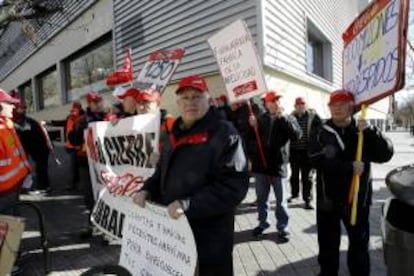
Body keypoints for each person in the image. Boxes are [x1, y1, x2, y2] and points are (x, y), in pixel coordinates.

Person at [133, 75, 249, 276]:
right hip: (175, 236)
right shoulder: (173, 134)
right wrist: (146, 189)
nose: (190, 102)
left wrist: (188, 205)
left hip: (209, 239)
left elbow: (233, 187)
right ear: (178, 103)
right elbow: (162, 172)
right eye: (185, 98)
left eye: (196, 96)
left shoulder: (225, 134)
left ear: (208, 99)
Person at [308, 89, 393, 276]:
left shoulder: (363, 130)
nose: (337, 108)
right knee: (328, 246)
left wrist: (371, 132)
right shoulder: (320, 131)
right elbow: (315, 159)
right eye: (333, 105)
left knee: (359, 246)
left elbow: (386, 154)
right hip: (328, 200)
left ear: (351, 107)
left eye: (342, 105)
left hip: (357, 199)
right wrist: (347, 167)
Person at [248, 91, 302, 242]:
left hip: (279, 167)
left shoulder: (288, 118)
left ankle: (283, 227)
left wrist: (284, 119)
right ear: (266, 103)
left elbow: (297, 135)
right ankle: (263, 223)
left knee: (281, 200)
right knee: (261, 198)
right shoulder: (259, 119)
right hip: (261, 166)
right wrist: (252, 127)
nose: (274, 103)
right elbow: (250, 140)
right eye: (271, 101)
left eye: (276, 100)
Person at [68, 91, 105, 238]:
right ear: (89, 104)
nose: (97, 105)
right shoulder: (82, 119)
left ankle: (105, 225)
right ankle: (92, 223)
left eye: (99, 102)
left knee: (105, 194)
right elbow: (74, 141)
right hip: (86, 162)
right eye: (94, 102)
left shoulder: (109, 117)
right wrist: (79, 129)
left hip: (105, 163)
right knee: (89, 195)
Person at [0, 89, 31, 215]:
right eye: (9, 103)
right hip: (3, 192)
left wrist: (25, 171)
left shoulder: (6, 125)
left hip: (13, 187)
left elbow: (14, 151)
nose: (13, 106)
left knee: (13, 227)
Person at [288, 97, 322, 209]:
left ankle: (308, 200)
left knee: (307, 177)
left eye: (302, 104)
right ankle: (294, 194)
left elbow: (320, 129)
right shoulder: (290, 117)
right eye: (298, 105)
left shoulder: (313, 116)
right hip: (294, 151)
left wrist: (316, 145)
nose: (300, 107)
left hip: (307, 152)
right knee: (294, 175)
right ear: (295, 106)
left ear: (306, 105)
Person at [13, 101, 51, 192]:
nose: (22, 110)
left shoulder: (24, 122)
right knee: (39, 167)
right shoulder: (23, 120)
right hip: (35, 147)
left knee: (41, 168)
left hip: (40, 148)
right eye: (21, 108)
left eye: (23, 108)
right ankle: (42, 186)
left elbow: (24, 132)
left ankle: (43, 187)